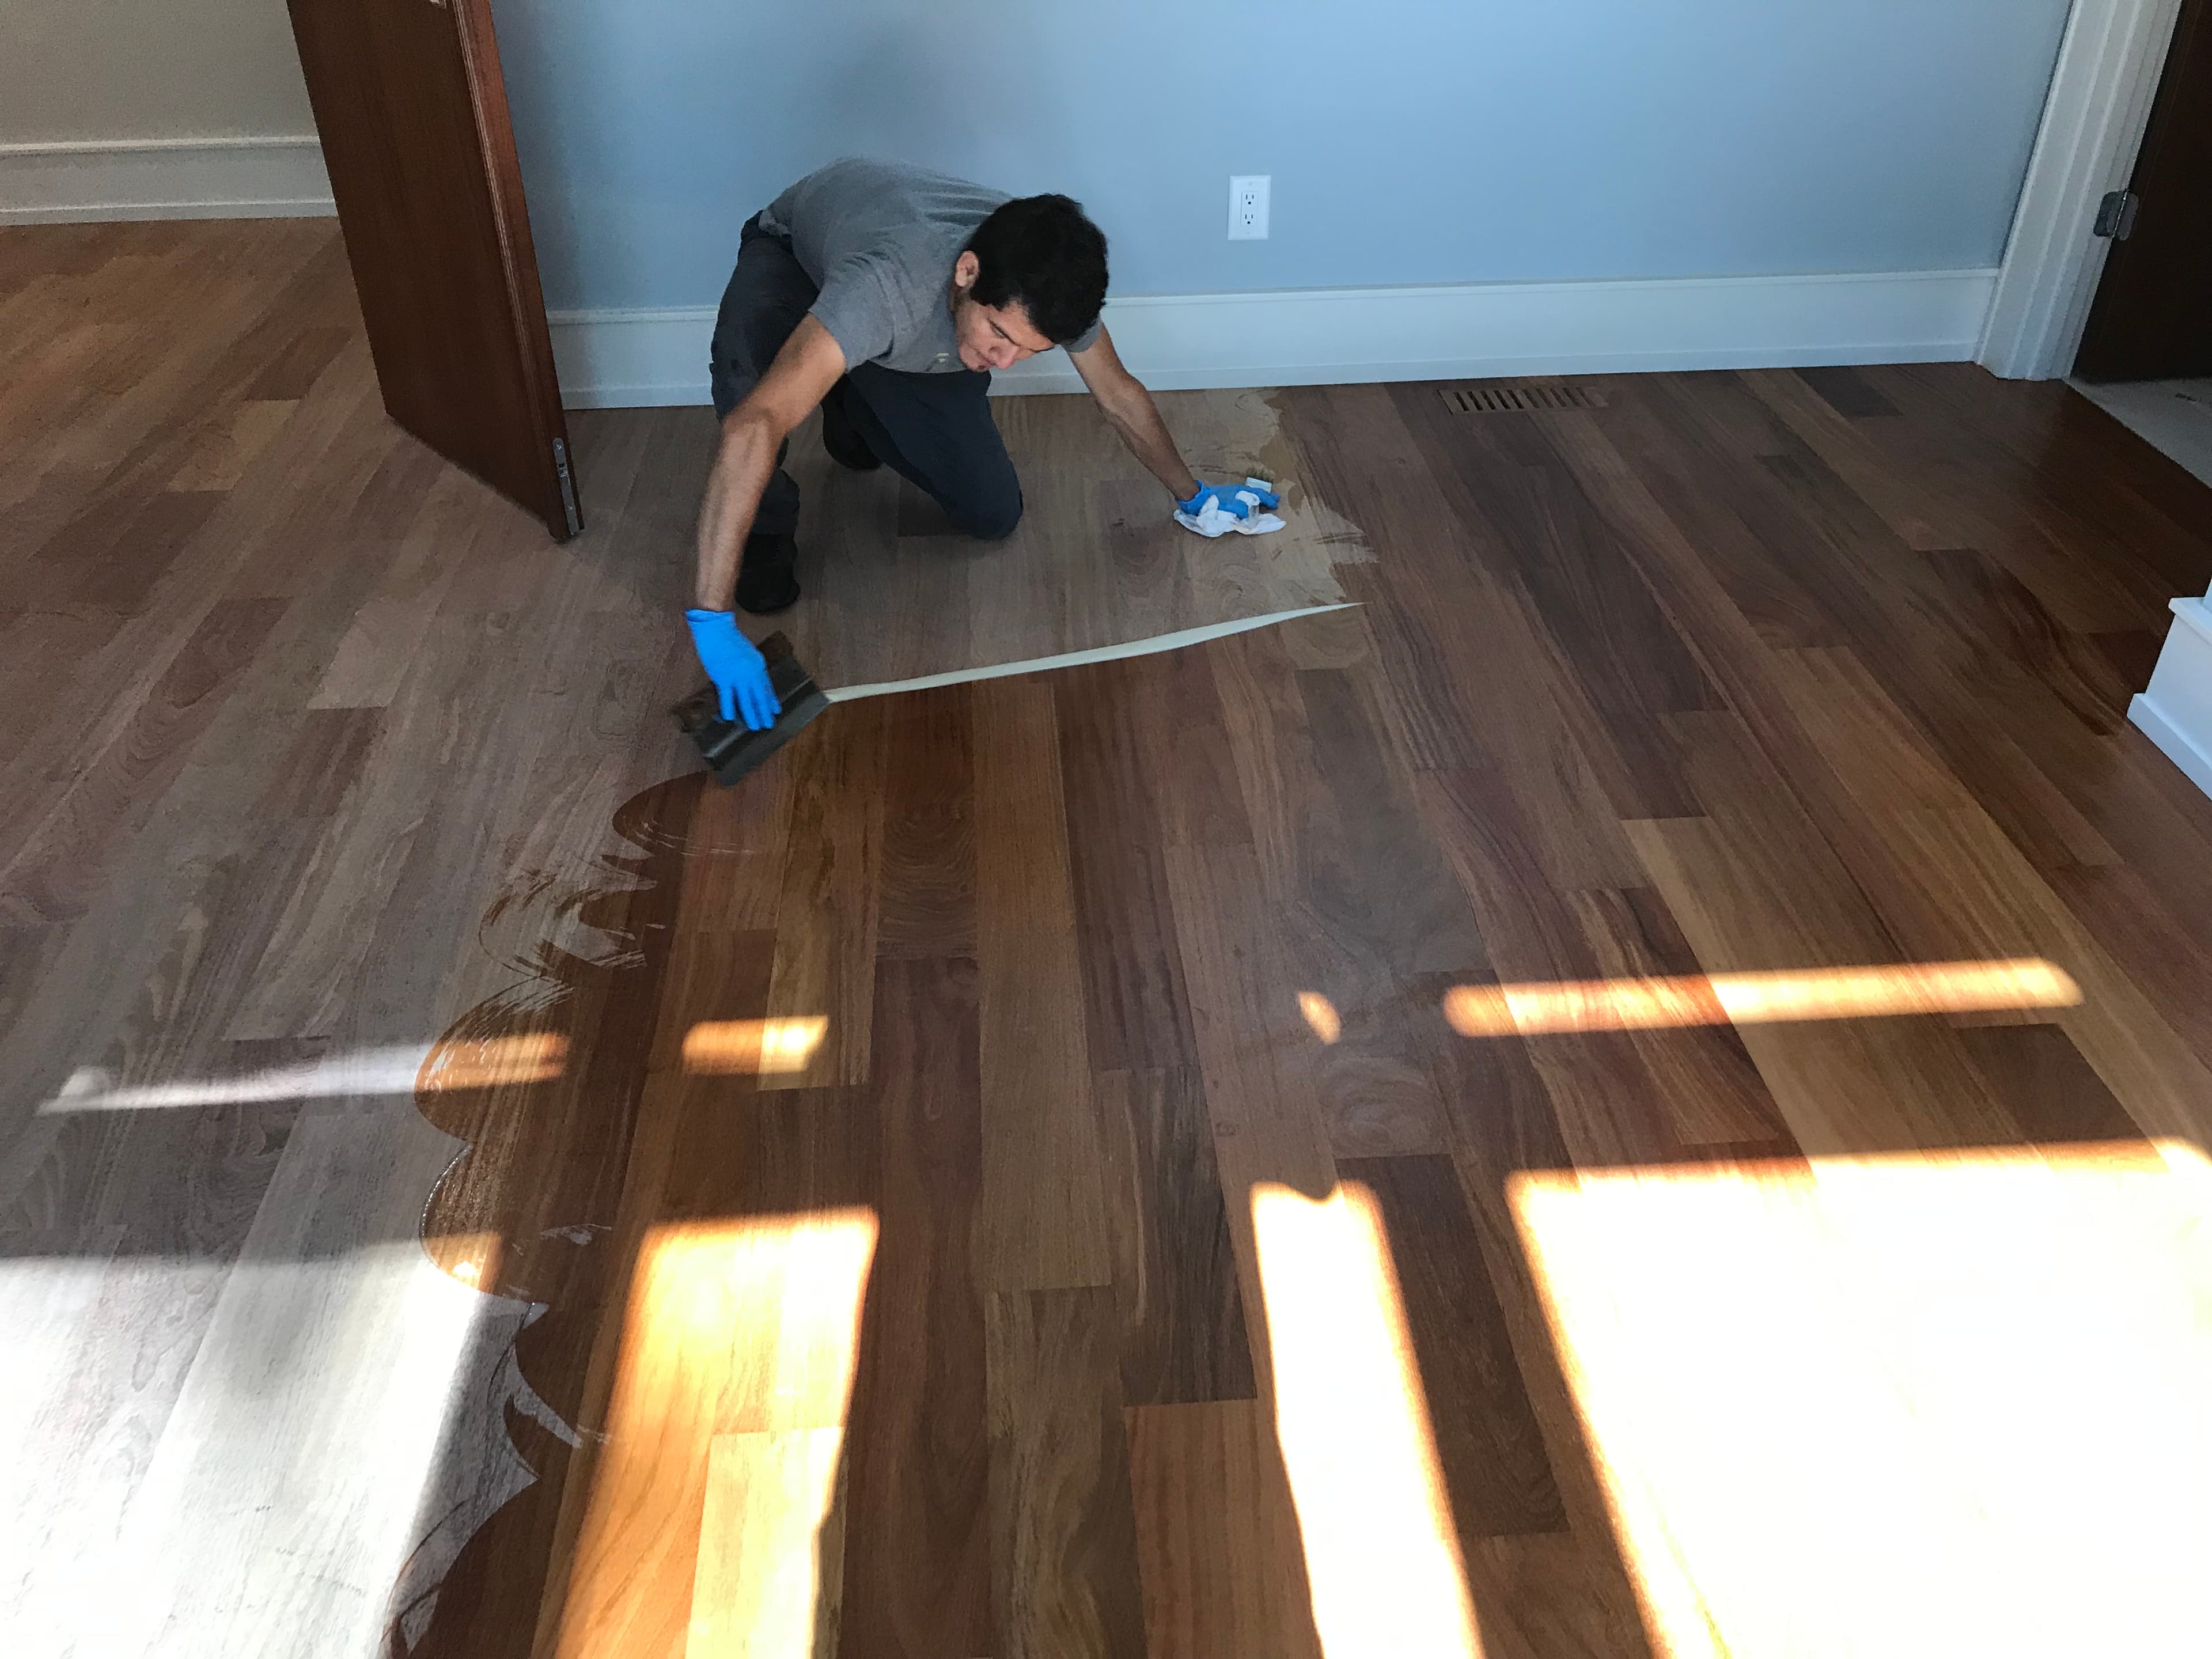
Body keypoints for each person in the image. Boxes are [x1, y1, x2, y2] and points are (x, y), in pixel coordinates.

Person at [685, 156, 1281, 730]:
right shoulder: (890, 284)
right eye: (998, 334)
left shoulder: (1048, 286)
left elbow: (1118, 395)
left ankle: (844, 388)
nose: (1007, 362)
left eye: (1030, 350)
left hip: (886, 319)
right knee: (751, 386)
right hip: (796, 255)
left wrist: (1193, 494)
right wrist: (712, 621)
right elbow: (753, 425)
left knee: (992, 513)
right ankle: (769, 524)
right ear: (967, 272)